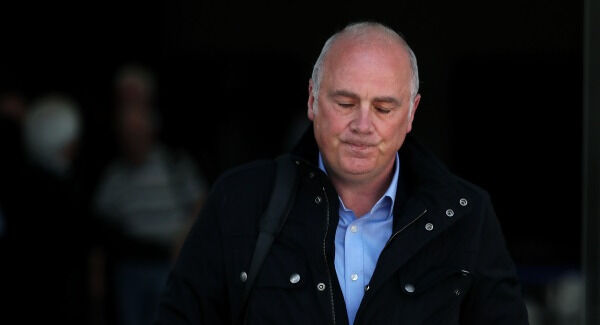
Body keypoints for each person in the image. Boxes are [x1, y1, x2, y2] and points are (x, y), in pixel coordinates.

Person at [156, 22, 529, 324]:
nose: (362, 125)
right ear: (312, 100)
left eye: (383, 108)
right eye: (346, 102)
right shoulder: (239, 201)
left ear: (411, 114)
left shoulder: (466, 215)